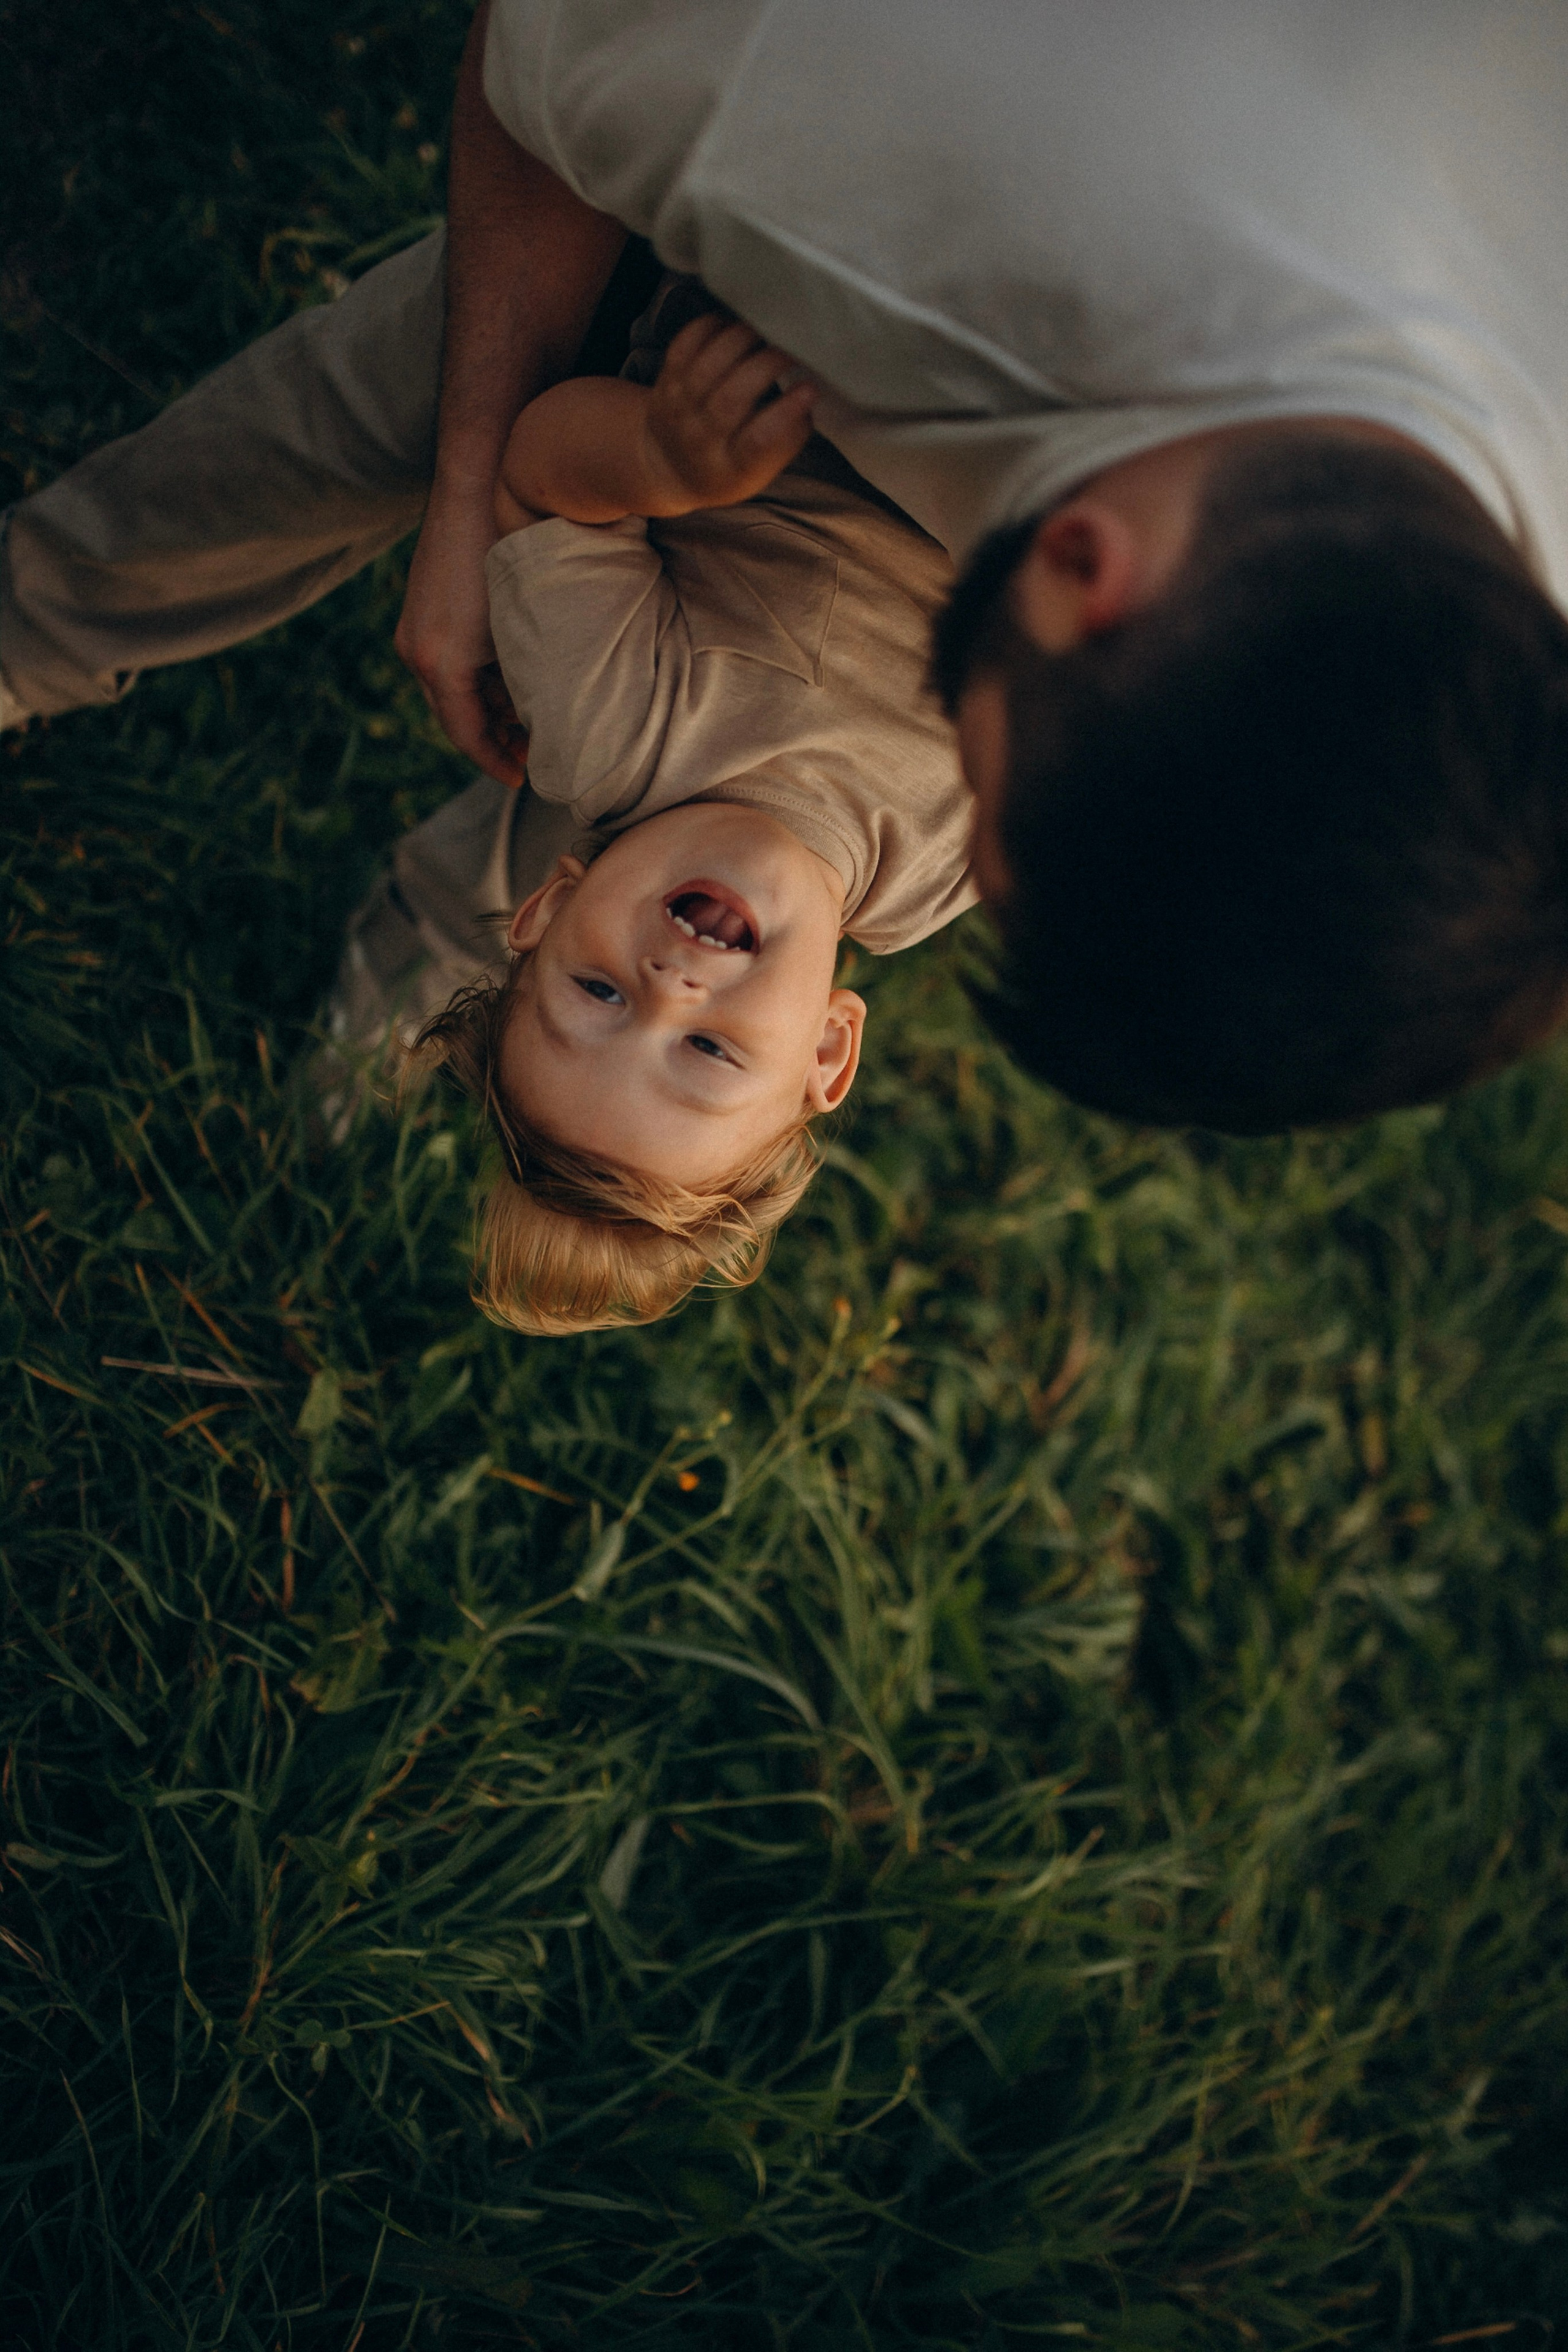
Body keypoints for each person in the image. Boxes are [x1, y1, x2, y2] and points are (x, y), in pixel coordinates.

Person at [6, 2, 1568, 1136]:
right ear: (1084, 569)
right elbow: (540, 82)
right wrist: (475, 488)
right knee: (319, 428)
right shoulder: (814, 113)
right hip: (683, 324)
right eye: (981, 743)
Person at [381, 278, 973, 1333]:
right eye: (708, 1053)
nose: (670, 988)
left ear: (543, 913)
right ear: (828, 1052)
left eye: (598, 995)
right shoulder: (935, 873)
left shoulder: (613, 724)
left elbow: (529, 483)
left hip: (839, 325)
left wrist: (657, 455)